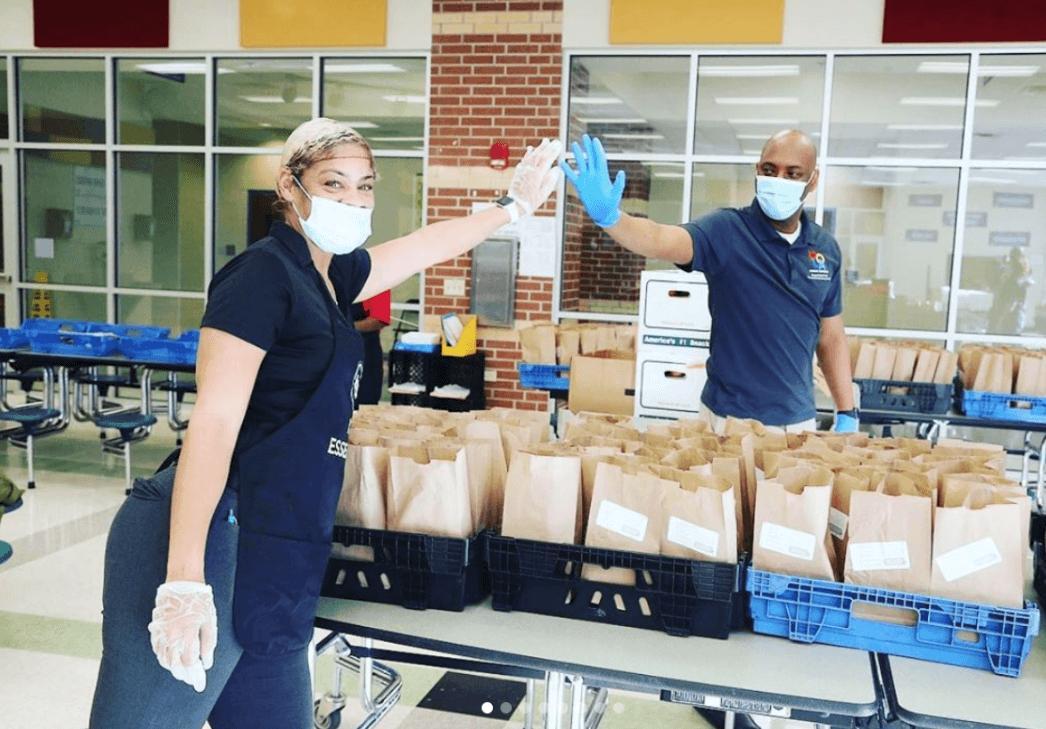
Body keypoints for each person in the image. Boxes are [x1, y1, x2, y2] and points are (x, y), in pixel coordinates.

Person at [88, 118, 562, 728]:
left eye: (364, 186)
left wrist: (512, 206)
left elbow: (424, 245)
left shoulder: (331, 277)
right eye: (333, 183)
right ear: (289, 186)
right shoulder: (260, 276)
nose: (353, 200)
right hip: (209, 534)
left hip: (278, 547)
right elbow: (215, 418)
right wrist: (183, 579)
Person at [561, 131, 857, 434]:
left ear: (813, 180)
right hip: (726, 420)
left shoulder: (825, 249)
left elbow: (831, 336)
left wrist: (848, 411)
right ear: (757, 171)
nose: (779, 180)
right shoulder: (727, 231)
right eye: (770, 170)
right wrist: (612, 218)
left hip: (797, 422)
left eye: (793, 174)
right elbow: (661, 240)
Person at [351, 291, 390, 406]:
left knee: (364, 406)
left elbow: (379, 320)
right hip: (336, 355)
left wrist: (345, 327)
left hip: (366, 356)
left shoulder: (376, 282)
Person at [987, 246, 1033, 335]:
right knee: (1002, 317)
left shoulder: (1019, 265)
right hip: (1007, 295)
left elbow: (1026, 277)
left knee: (1012, 319)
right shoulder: (1010, 266)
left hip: (1013, 296)